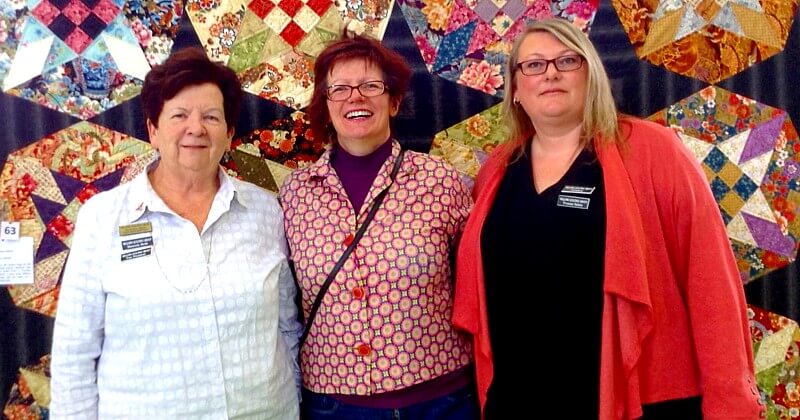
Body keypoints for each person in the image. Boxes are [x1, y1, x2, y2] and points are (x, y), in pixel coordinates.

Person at [453, 18, 764, 420]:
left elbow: (710, 282)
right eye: (532, 65)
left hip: (637, 395)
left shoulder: (653, 152)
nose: (550, 72)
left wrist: (730, 403)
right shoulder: (496, 170)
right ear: (515, 90)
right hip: (520, 397)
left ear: (591, 74)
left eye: (567, 60)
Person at [50, 47, 302, 418]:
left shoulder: (265, 211)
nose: (196, 128)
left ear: (230, 133)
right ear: (153, 129)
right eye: (179, 115)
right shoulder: (103, 218)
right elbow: (74, 353)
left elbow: (287, 328)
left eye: (211, 117)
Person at [279, 35, 479, 419]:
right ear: (325, 106)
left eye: (371, 86)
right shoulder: (294, 196)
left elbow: (477, 281)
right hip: (336, 406)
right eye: (339, 89)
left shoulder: (441, 182)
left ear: (394, 101)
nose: (355, 97)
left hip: (442, 402)